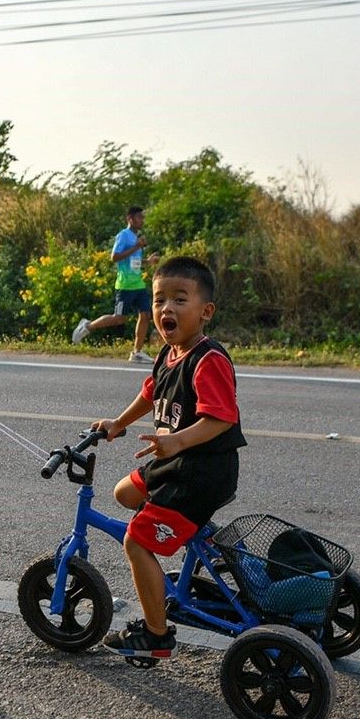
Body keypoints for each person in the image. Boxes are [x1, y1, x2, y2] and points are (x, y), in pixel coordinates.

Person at [89, 256, 246, 659]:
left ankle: (156, 635)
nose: (166, 310)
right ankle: (180, 527)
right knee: (125, 493)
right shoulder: (169, 353)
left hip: (200, 473)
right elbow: (151, 392)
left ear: (205, 312)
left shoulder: (207, 359)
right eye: (159, 301)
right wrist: (118, 423)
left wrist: (178, 442)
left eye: (180, 300)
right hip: (175, 464)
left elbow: (221, 419)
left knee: (136, 541)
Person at [72, 205, 161, 363]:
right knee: (119, 318)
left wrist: (148, 261)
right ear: (130, 219)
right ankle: (87, 326)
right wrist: (137, 246)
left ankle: (137, 352)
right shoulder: (124, 236)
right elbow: (114, 257)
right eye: (139, 217)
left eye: (143, 218)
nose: (142, 220)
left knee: (146, 315)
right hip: (125, 285)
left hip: (138, 284)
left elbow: (133, 261)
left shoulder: (137, 238)